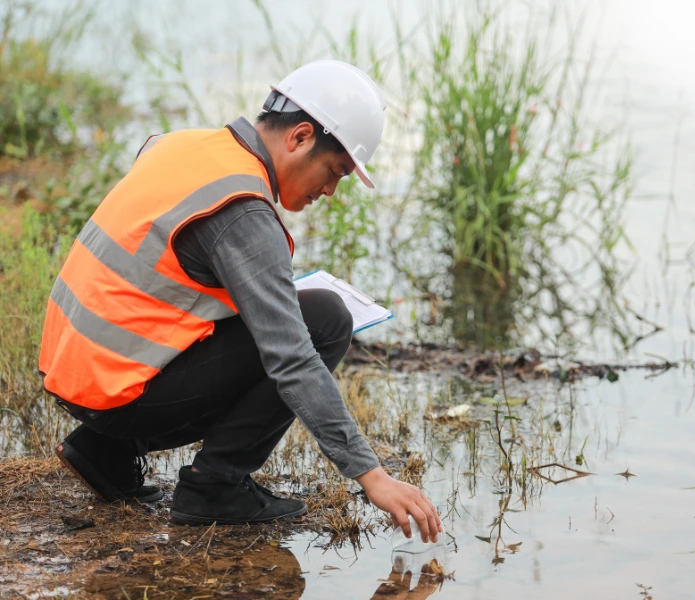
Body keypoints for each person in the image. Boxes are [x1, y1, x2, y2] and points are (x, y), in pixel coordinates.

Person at [39, 60, 442, 543]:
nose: (331, 190)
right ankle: (215, 487)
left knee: (290, 313)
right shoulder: (243, 209)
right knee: (327, 320)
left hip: (75, 374)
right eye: (334, 171)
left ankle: (103, 452)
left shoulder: (185, 145)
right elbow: (292, 360)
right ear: (299, 137)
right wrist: (372, 476)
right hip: (116, 394)